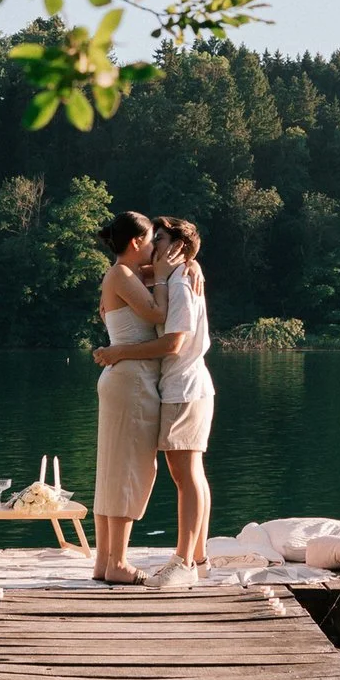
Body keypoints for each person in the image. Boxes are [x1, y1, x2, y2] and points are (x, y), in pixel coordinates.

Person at [89, 209, 171, 584]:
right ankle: (118, 563)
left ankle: (105, 563)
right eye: (152, 239)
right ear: (137, 242)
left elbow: (154, 278)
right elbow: (158, 314)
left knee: (112, 469)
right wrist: (169, 277)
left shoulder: (127, 274)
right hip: (132, 381)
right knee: (131, 469)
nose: (156, 247)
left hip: (123, 379)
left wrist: (184, 268)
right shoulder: (122, 274)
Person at [149, 216, 214, 587]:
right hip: (188, 387)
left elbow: (174, 342)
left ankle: (183, 562)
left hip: (184, 389)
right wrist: (193, 259)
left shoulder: (181, 282)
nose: (152, 244)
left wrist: (120, 352)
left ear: (177, 247)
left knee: (186, 476)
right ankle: (199, 559)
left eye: (159, 239)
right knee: (191, 475)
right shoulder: (177, 275)